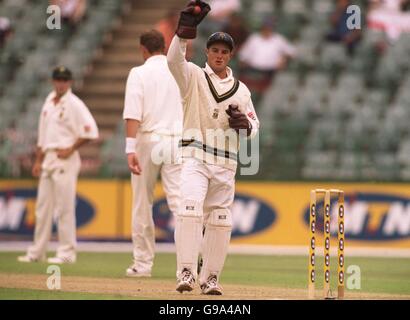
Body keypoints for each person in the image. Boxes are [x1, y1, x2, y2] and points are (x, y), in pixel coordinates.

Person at [167, 0, 259, 295]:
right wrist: (184, 33)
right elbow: (173, 62)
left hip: (226, 162)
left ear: (231, 55)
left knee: (220, 219)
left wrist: (246, 125)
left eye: (224, 51)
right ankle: (186, 271)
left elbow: (255, 126)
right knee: (190, 209)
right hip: (195, 155)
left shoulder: (241, 90)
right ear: (207, 52)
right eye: (215, 50)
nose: (219, 55)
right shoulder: (193, 76)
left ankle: (211, 278)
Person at [18, 66, 99, 264]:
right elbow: (42, 135)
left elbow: (91, 132)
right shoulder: (48, 102)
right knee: (42, 208)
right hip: (48, 157)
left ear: (70, 82)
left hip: (65, 159)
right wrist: (38, 160)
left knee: (64, 208)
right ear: (53, 81)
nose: (61, 83)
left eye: (65, 80)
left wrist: (71, 148)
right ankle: (37, 252)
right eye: (58, 79)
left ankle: (67, 253)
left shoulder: (74, 104)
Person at [123, 30, 182, 277]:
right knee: (181, 205)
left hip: (148, 140)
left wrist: (129, 149)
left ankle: (143, 264)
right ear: (164, 46)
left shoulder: (139, 73)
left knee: (142, 203)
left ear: (143, 49)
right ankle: (187, 267)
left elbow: (133, 113)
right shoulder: (180, 70)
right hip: (178, 140)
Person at [238, 17, 296, 95]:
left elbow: (292, 52)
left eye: (270, 27)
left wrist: (284, 59)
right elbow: (243, 55)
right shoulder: (254, 38)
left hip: (271, 71)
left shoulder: (278, 39)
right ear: (262, 27)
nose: (267, 29)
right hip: (252, 69)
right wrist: (244, 62)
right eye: (266, 27)